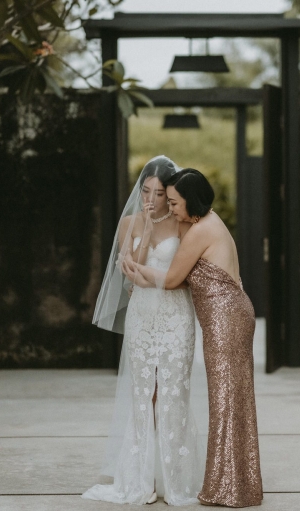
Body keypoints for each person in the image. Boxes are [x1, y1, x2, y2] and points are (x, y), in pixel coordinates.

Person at [124, 168, 263, 508]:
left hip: (225, 319)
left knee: (227, 401)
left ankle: (228, 487)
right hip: (229, 315)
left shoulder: (202, 229)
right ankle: (235, 484)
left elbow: (172, 279)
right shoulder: (208, 222)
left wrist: (138, 273)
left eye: (174, 202)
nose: (170, 209)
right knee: (231, 400)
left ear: (192, 202)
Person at [83, 156, 204, 506]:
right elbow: (127, 274)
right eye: (146, 191)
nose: (151, 199)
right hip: (142, 317)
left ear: (171, 194)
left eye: (160, 193)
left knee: (171, 393)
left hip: (177, 316)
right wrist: (147, 231)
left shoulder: (183, 224)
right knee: (142, 394)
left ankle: (174, 479)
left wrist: (148, 274)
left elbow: (183, 276)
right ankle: (144, 479)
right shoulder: (129, 223)